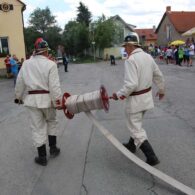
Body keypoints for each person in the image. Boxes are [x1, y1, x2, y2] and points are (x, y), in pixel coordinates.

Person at [112, 33, 165, 166]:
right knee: (136, 123)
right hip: (146, 100)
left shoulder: (131, 60)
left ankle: (151, 157)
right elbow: (158, 74)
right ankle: (131, 145)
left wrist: (118, 95)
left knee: (135, 128)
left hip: (135, 102)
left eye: (126, 47)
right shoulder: (148, 56)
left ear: (131, 46)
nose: (125, 49)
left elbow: (131, 84)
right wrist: (161, 89)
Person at [15, 38, 63, 166]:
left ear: (36, 50)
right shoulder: (51, 64)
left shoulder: (26, 64)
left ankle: (42, 157)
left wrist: (18, 97)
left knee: (37, 128)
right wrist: (58, 102)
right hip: (48, 100)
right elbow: (54, 86)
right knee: (52, 122)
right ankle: (53, 149)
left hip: (32, 101)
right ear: (46, 51)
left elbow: (20, 82)